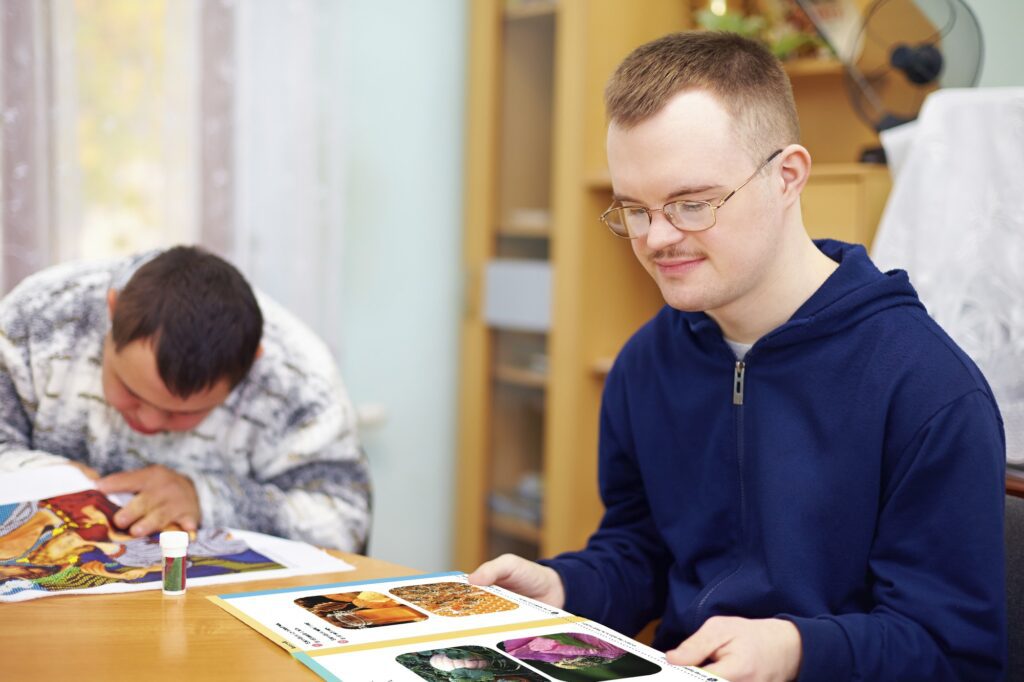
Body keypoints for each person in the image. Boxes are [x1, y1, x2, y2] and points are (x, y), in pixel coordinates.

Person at [470, 31, 1006, 681]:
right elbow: (643, 551)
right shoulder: (646, 362)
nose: (658, 239)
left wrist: (797, 649)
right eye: (634, 210)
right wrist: (566, 586)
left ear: (787, 177)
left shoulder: (927, 388)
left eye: (691, 204)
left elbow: (955, 652)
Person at [0, 246, 370, 551]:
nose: (149, 422)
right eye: (130, 391)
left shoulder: (296, 375)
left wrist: (209, 499)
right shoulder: (42, 317)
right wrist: (42, 476)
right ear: (112, 313)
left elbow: (345, 523)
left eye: (183, 413)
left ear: (251, 366)